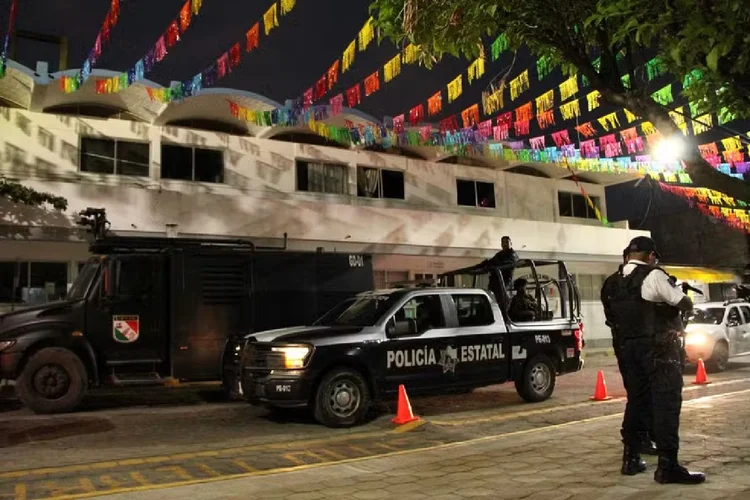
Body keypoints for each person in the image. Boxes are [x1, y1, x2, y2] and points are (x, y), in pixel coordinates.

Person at [605, 236, 705, 484]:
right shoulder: (653, 275)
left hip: (627, 349)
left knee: (637, 401)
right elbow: (684, 303)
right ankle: (668, 465)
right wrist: (680, 294)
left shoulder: (611, 283)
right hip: (658, 349)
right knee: (666, 403)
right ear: (650, 256)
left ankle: (630, 459)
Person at [601, 248, 657, 473]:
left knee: (639, 395)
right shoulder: (645, 278)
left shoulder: (611, 283)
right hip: (641, 344)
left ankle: (640, 441)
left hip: (623, 344)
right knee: (641, 397)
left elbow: (610, 316)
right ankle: (632, 453)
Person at [485, 236, 519, 303]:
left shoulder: (513, 255)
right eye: (503, 242)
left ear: (511, 243)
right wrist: (484, 264)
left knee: (501, 299)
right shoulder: (499, 254)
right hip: (495, 279)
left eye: (507, 242)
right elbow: (491, 262)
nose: (505, 244)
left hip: (504, 280)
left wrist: (493, 265)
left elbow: (504, 263)